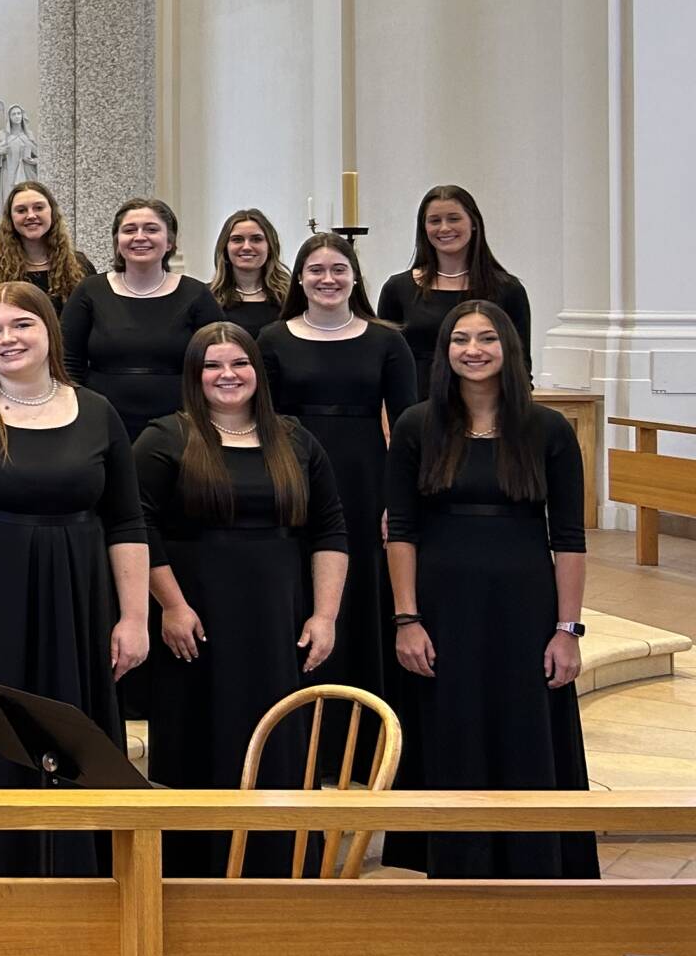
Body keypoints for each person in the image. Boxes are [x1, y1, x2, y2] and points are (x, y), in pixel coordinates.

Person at [0, 282, 148, 944]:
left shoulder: (98, 413)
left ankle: (82, 892)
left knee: (75, 740)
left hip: (77, 607)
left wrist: (133, 617)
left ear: (50, 331)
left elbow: (126, 522)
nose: (7, 339)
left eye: (21, 325)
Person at [386, 299, 594, 879]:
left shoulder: (547, 429)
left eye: (485, 339)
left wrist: (567, 630)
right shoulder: (416, 425)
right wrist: (407, 619)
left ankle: (535, 860)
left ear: (509, 349)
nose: (472, 350)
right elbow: (399, 531)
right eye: (459, 340)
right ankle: (455, 861)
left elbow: (570, 538)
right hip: (444, 608)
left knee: (526, 730)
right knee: (452, 728)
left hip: (525, 609)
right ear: (444, 352)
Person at [134, 324, 349, 876]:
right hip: (197, 620)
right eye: (212, 366)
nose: (227, 375)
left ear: (258, 371)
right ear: (193, 376)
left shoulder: (295, 439)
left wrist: (324, 615)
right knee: (201, 742)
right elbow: (140, 529)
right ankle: (194, 872)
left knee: (276, 740)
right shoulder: (165, 439)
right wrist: (171, 606)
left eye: (238, 364)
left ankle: (277, 868)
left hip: (278, 618)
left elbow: (329, 530)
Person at [256, 233, 419, 745]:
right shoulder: (273, 339)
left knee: (359, 595)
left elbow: (408, 426)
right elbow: (262, 420)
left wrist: (397, 499)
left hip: (365, 478)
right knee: (301, 586)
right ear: (299, 278)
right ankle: (300, 731)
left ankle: (362, 734)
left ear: (354, 277)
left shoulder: (387, 340)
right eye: (316, 270)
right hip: (293, 474)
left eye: (338, 269)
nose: (327, 279)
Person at [62, 198, 226, 441]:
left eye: (151, 229)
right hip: (101, 423)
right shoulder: (90, 291)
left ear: (170, 241)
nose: (140, 237)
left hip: (180, 425)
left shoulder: (196, 294)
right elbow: (68, 361)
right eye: (129, 230)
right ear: (117, 242)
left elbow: (219, 359)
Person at [378, 186, 533, 399]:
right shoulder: (397, 289)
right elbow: (384, 362)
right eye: (434, 221)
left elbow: (520, 363)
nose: (444, 228)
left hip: (486, 407)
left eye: (453, 219)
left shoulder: (507, 289)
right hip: (415, 407)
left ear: (474, 223)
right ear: (423, 228)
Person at [0, 181, 93, 338]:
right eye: (21, 210)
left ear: (52, 212)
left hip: (69, 360)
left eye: (38, 208)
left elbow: (95, 323)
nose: (31, 215)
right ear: (10, 218)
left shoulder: (79, 265)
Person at [209, 209, 289, 335]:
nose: (246, 247)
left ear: (270, 247)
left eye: (256, 239)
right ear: (225, 248)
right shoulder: (207, 298)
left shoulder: (289, 297)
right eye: (237, 239)